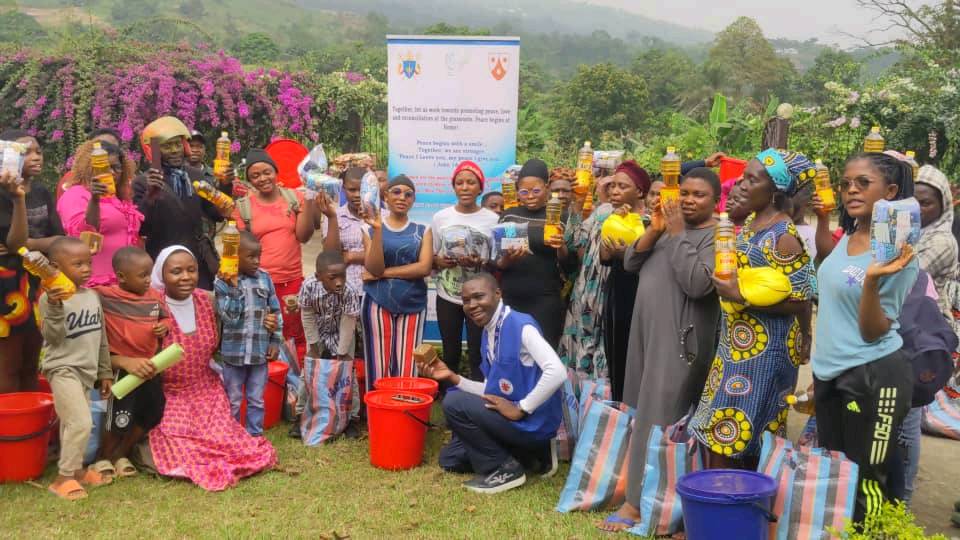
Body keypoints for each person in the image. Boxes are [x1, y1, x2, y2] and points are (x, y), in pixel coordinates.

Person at [600, 168, 722, 532]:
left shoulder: (717, 235)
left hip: (680, 341)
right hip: (645, 335)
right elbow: (630, 263)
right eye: (683, 192)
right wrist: (654, 228)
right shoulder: (668, 228)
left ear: (716, 200)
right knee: (641, 413)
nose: (687, 200)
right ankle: (645, 495)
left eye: (698, 194)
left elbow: (698, 284)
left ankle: (641, 505)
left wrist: (677, 234)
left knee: (663, 419)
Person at [811, 152, 918, 521]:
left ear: (890, 191)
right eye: (845, 184)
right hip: (831, 374)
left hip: (874, 375)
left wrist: (872, 280)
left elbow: (873, 331)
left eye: (862, 183)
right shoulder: (852, 234)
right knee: (837, 471)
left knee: (868, 478)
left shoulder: (897, 253)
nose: (850, 190)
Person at [691, 149, 814, 468]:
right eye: (743, 177)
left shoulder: (783, 236)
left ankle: (726, 502)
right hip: (738, 344)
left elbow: (801, 297)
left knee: (736, 429)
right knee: (724, 427)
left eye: (752, 179)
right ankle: (718, 500)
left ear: (775, 190)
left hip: (765, 352)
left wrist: (741, 297)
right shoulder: (752, 226)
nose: (742, 185)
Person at [147, 245, 276, 491]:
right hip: (170, 393)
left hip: (206, 388)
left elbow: (241, 317)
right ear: (161, 275)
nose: (185, 277)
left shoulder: (206, 300)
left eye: (191, 270)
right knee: (179, 441)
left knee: (228, 440)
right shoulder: (152, 306)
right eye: (176, 271)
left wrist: (269, 321)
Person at [421, 273, 564, 494]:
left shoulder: (520, 325)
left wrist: (521, 408)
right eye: (466, 300)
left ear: (498, 294)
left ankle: (504, 469)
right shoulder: (489, 332)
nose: (472, 305)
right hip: (511, 419)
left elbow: (557, 371)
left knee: (453, 401)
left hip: (532, 421)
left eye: (479, 296)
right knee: (450, 460)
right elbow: (490, 391)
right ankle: (528, 456)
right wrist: (453, 378)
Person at [233, 149, 335, 365]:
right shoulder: (243, 207)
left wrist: (308, 198)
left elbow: (304, 236)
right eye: (255, 176)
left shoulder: (293, 197)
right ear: (249, 180)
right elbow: (237, 250)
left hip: (292, 283)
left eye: (267, 172)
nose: (262, 179)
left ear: (276, 172)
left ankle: (294, 388)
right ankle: (269, 385)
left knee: (294, 336)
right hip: (258, 285)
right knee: (263, 336)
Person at [901, 164, 960, 504]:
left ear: (943, 206)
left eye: (926, 203)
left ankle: (903, 499)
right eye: (914, 201)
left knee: (910, 417)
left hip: (923, 337)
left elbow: (905, 275)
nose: (919, 209)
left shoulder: (942, 241)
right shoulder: (913, 233)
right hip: (905, 331)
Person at [39, 237, 114, 500]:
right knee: (81, 421)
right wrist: (57, 306)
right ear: (55, 267)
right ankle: (63, 479)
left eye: (88, 263)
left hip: (87, 371)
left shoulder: (92, 296)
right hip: (63, 369)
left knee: (76, 423)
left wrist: (104, 371)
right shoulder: (49, 300)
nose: (86, 268)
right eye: (78, 264)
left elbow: (101, 337)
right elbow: (53, 337)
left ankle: (78, 471)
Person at [132, 116, 234, 290]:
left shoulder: (195, 175)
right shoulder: (142, 182)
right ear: (154, 150)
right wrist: (151, 195)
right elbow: (140, 228)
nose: (174, 151)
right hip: (163, 261)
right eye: (166, 146)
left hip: (196, 261)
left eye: (177, 144)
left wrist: (225, 184)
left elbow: (216, 214)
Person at [94, 247, 169, 478]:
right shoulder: (104, 296)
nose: (149, 280)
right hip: (123, 369)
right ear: (122, 276)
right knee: (119, 416)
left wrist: (165, 326)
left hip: (149, 367)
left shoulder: (154, 297)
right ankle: (103, 458)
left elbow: (165, 316)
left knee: (152, 412)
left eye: (150, 273)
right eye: (142, 275)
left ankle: (122, 454)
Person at [0, 129, 64, 393]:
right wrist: (18, 200)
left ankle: (31, 428)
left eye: (38, 150)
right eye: (27, 153)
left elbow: (58, 237)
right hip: (7, 286)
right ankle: (9, 428)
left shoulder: (41, 191)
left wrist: (29, 247)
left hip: (39, 280)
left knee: (31, 363)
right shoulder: (4, 195)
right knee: (8, 364)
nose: (37, 157)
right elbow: (14, 242)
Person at [360, 175, 432, 390]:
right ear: (385, 197)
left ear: (413, 200)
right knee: (378, 362)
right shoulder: (369, 229)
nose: (402, 197)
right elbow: (374, 268)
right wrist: (379, 230)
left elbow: (424, 268)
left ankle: (404, 411)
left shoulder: (423, 230)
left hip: (414, 303)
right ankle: (379, 412)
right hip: (377, 302)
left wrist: (384, 274)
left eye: (408, 194)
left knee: (408, 364)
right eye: (396, 192)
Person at [495, 159, 575, 348]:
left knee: (544, 354)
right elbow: (497, 262)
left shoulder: (561, 216)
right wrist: (507, 258)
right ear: (517, 191)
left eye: (536, 191)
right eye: (524, 192)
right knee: (511, 353)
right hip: (512, 297)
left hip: (545, 298)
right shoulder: (509, 215)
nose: (530, 196)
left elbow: (570, 265)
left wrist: (561, 246)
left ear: (547, 188)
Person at [431, 161, 499, 381]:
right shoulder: (441, 217)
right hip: (447, 295)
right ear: (454, 187)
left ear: (480, 188)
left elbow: (498, 259)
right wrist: (441, 261)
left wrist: (480, 262)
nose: (465, 187)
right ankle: (449, 393)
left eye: (471, 182)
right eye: (459, 183)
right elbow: (431, 256)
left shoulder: (492, 219)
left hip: (480, 298)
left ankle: (479, 395)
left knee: (478, 351)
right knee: (450, 350)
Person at [214, 232, 283, 437]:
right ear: (234, 256)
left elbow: (275, 312)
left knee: (256, 399)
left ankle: (254, 436)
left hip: (259, 353)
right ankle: (232, 437)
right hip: (233, 355)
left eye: (258, 256)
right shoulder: (222, 282)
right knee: (233, 398)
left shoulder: (265, 278)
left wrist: (276, 341)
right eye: (251, 256)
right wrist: (234, 288)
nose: (256, 261)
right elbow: (229, 318)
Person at [598, 161, 651, 401]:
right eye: (612, 187)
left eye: (622, 186)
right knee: (618, 359)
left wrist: (628, 253)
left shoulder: (652, 222)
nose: (614, 192)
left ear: (639, 191)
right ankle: (620, 417)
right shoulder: (612, 218)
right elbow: (605, 257)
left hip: (645, 296)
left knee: (642, 360)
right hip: (617, 296)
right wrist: (614, 226)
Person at [57, 139, 143, 286]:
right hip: (97, 282)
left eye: (116, 167)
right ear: (89, 168)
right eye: (104, 167)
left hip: (125, 281)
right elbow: (83, 235)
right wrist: (95, 200)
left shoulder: (119, 196)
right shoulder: (76, 194)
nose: (111, 172)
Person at [297, 251, 363, 440]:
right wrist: (314, 346)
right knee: (308, 372)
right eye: (333, 278)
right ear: (319, 277)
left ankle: (352, 420)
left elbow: (348, 321)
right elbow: (307, 315)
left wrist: (342, 352)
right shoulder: (309, 286)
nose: (339, 282)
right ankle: (300, 415)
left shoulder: (348, 291)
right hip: (317, 333)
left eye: (342, 275)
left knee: (348, 374)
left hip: (342, 333)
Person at [57, 128, 123, 199]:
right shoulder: (71, 180)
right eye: (101, 146)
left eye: (112, 148)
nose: (107, 151)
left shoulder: (124, 180)